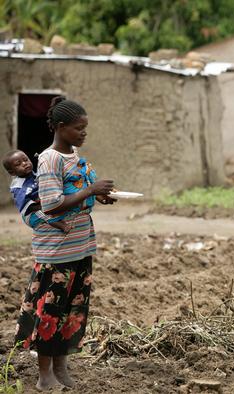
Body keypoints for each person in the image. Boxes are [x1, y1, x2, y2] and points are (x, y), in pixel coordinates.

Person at [14, 96, 115, 390]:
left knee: (73, 309)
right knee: (50, 312)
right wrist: (90, 190)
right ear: (60, 127)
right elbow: (51, 205)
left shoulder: (74, 157)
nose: (84, 133)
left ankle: (61, 366)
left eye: (85, 128)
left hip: (81, 244)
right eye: (78, 128)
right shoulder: (49, 159)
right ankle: (44, 375)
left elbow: (80, 192)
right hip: (56, 250)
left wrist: (98, 195)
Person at [3, 150, 70, 232]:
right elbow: (27, 206)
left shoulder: (34, 175)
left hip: (41, 205)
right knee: (44, 213)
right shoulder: (19, 187)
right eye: (18, 164)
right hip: (31, 214)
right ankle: (62, 226)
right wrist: (43, 206)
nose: (24, 163)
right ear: (12, 172)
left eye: (25, 160)